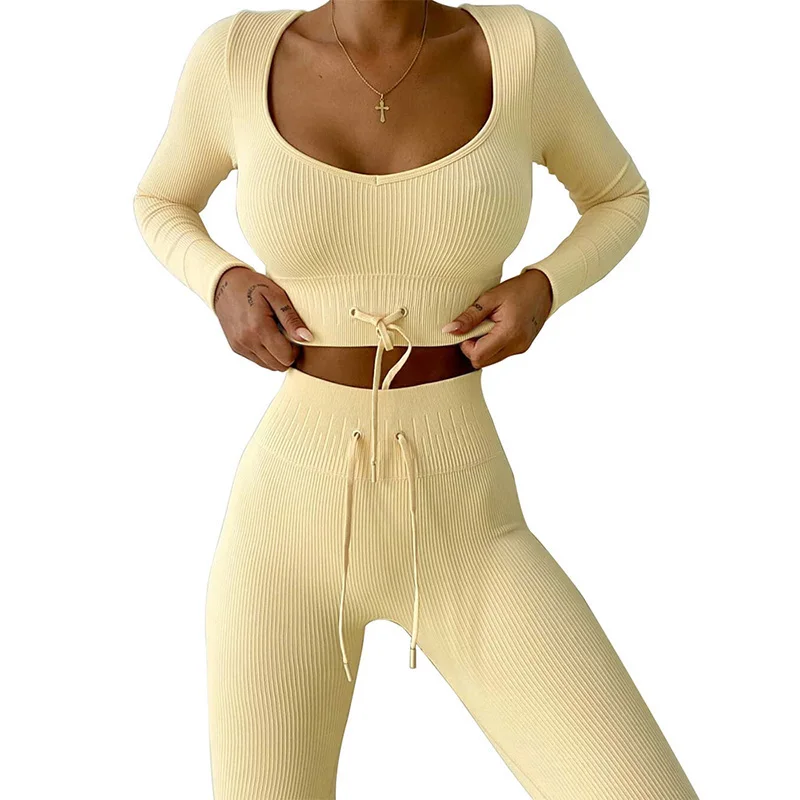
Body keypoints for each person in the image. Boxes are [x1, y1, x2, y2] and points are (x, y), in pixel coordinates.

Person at [133, 2, 700, 798]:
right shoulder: (237, 53)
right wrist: (219, 280)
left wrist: (545, 286)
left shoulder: (519, 49)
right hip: (285, 530)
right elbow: (161, 199)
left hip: (467, 522)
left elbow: (619, 195)